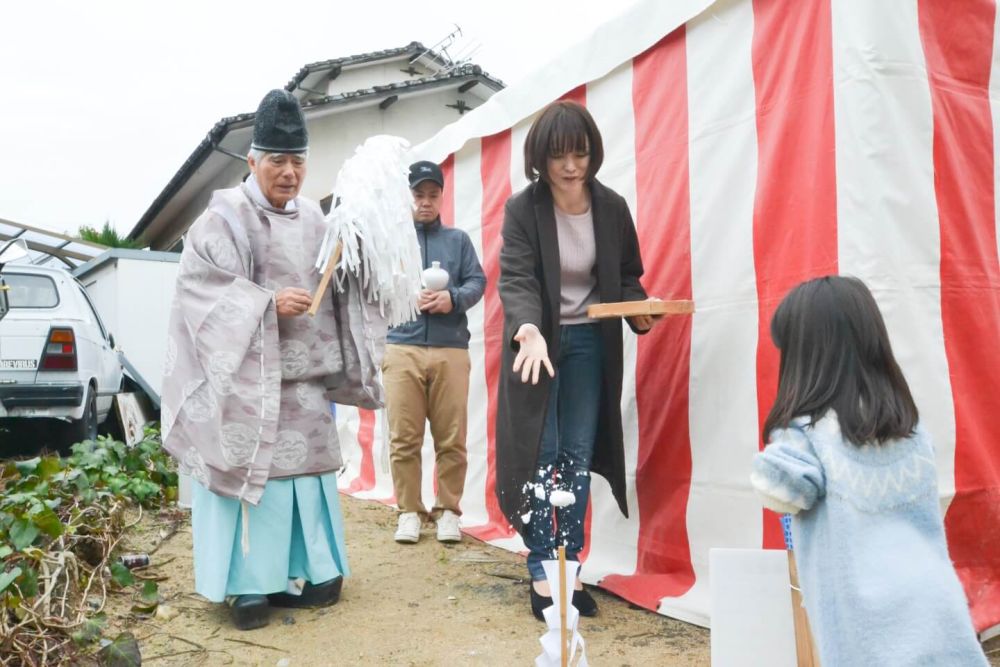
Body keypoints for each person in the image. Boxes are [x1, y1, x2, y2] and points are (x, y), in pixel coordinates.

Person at [161, 89, 385, 630]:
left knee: (307, 480)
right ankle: (247, 588)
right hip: (243, 385)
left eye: (298, 161)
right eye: (278, 161)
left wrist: (358, 253)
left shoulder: (314, 217)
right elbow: (200, 295)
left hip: (302, 382)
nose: (289, 173)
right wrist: (265, 303)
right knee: (248, 480)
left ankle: (316, 571)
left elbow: (342, 282)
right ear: (252, 161)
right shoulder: (223, 219)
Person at [751, 276, 987, 665]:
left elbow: (775, 490)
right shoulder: (906, 427)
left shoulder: (807, 433)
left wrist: (776, 444)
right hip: (933, 598)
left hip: (866, 616)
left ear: (804, 358)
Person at [495, 100, 662, 620]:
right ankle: (544, 571)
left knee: (577, 457)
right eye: (560, 156)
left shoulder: (611, 207)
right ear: (540, 159)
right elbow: (517, 277)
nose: (571, 166)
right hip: (536, 346)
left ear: (593, 155)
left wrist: (642, 309)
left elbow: (628, 274)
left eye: (581, 154)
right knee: (541, 457)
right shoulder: (524, 209)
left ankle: (572, 568)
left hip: (592, 343)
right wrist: (527, 330)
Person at [382, 160, 486, 544]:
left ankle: (448, 511)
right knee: (404, 436)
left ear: (442, 196)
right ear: (406, 197)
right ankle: (409, 510)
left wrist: (451, 298)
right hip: (401, 347)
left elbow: (478, 281)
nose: (425, 202)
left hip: (450, 349)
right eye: (417, 195)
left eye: (432, 194)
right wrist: (403, 296)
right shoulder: (392, 241)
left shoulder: (457, 240)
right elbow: (371, 286)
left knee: (452, 436)